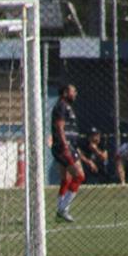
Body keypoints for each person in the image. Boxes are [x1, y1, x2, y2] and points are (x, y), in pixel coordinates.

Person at [51, 83, 83, 222]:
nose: (75, 93)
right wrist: (64, 144)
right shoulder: (61, 106)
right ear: (65, 93)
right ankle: (62, 209)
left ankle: (61, 211)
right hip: (65, 147)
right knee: (80, 176)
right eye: (73, 91)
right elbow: (59, 126)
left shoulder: (67, 107)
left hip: (69, 146)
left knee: (66, 179)